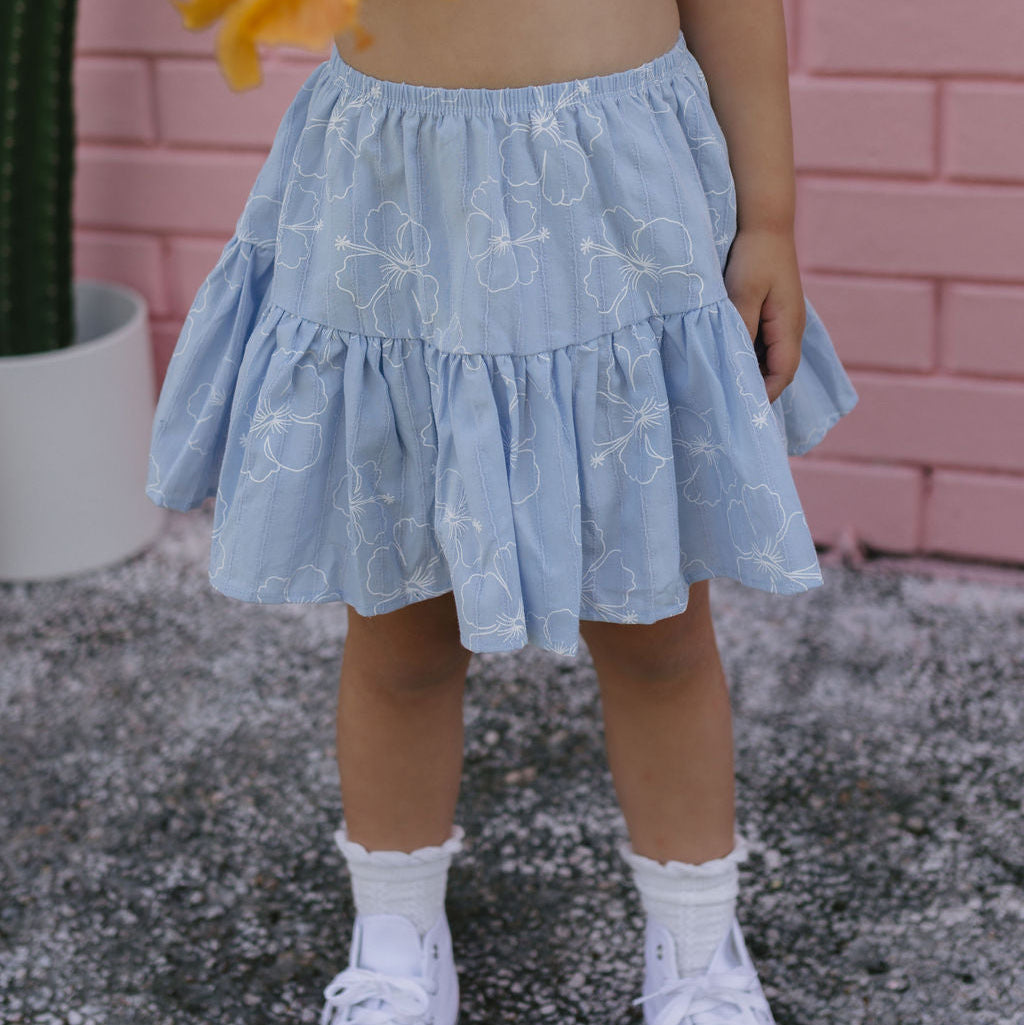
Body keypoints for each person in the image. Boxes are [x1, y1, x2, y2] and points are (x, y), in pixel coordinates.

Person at [146, 0, 859, 1021]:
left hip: (619, 201)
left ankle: (699, 950)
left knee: (659, 630)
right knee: (399, 624)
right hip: (395, 205)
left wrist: (771, 221)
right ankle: (394, 944)